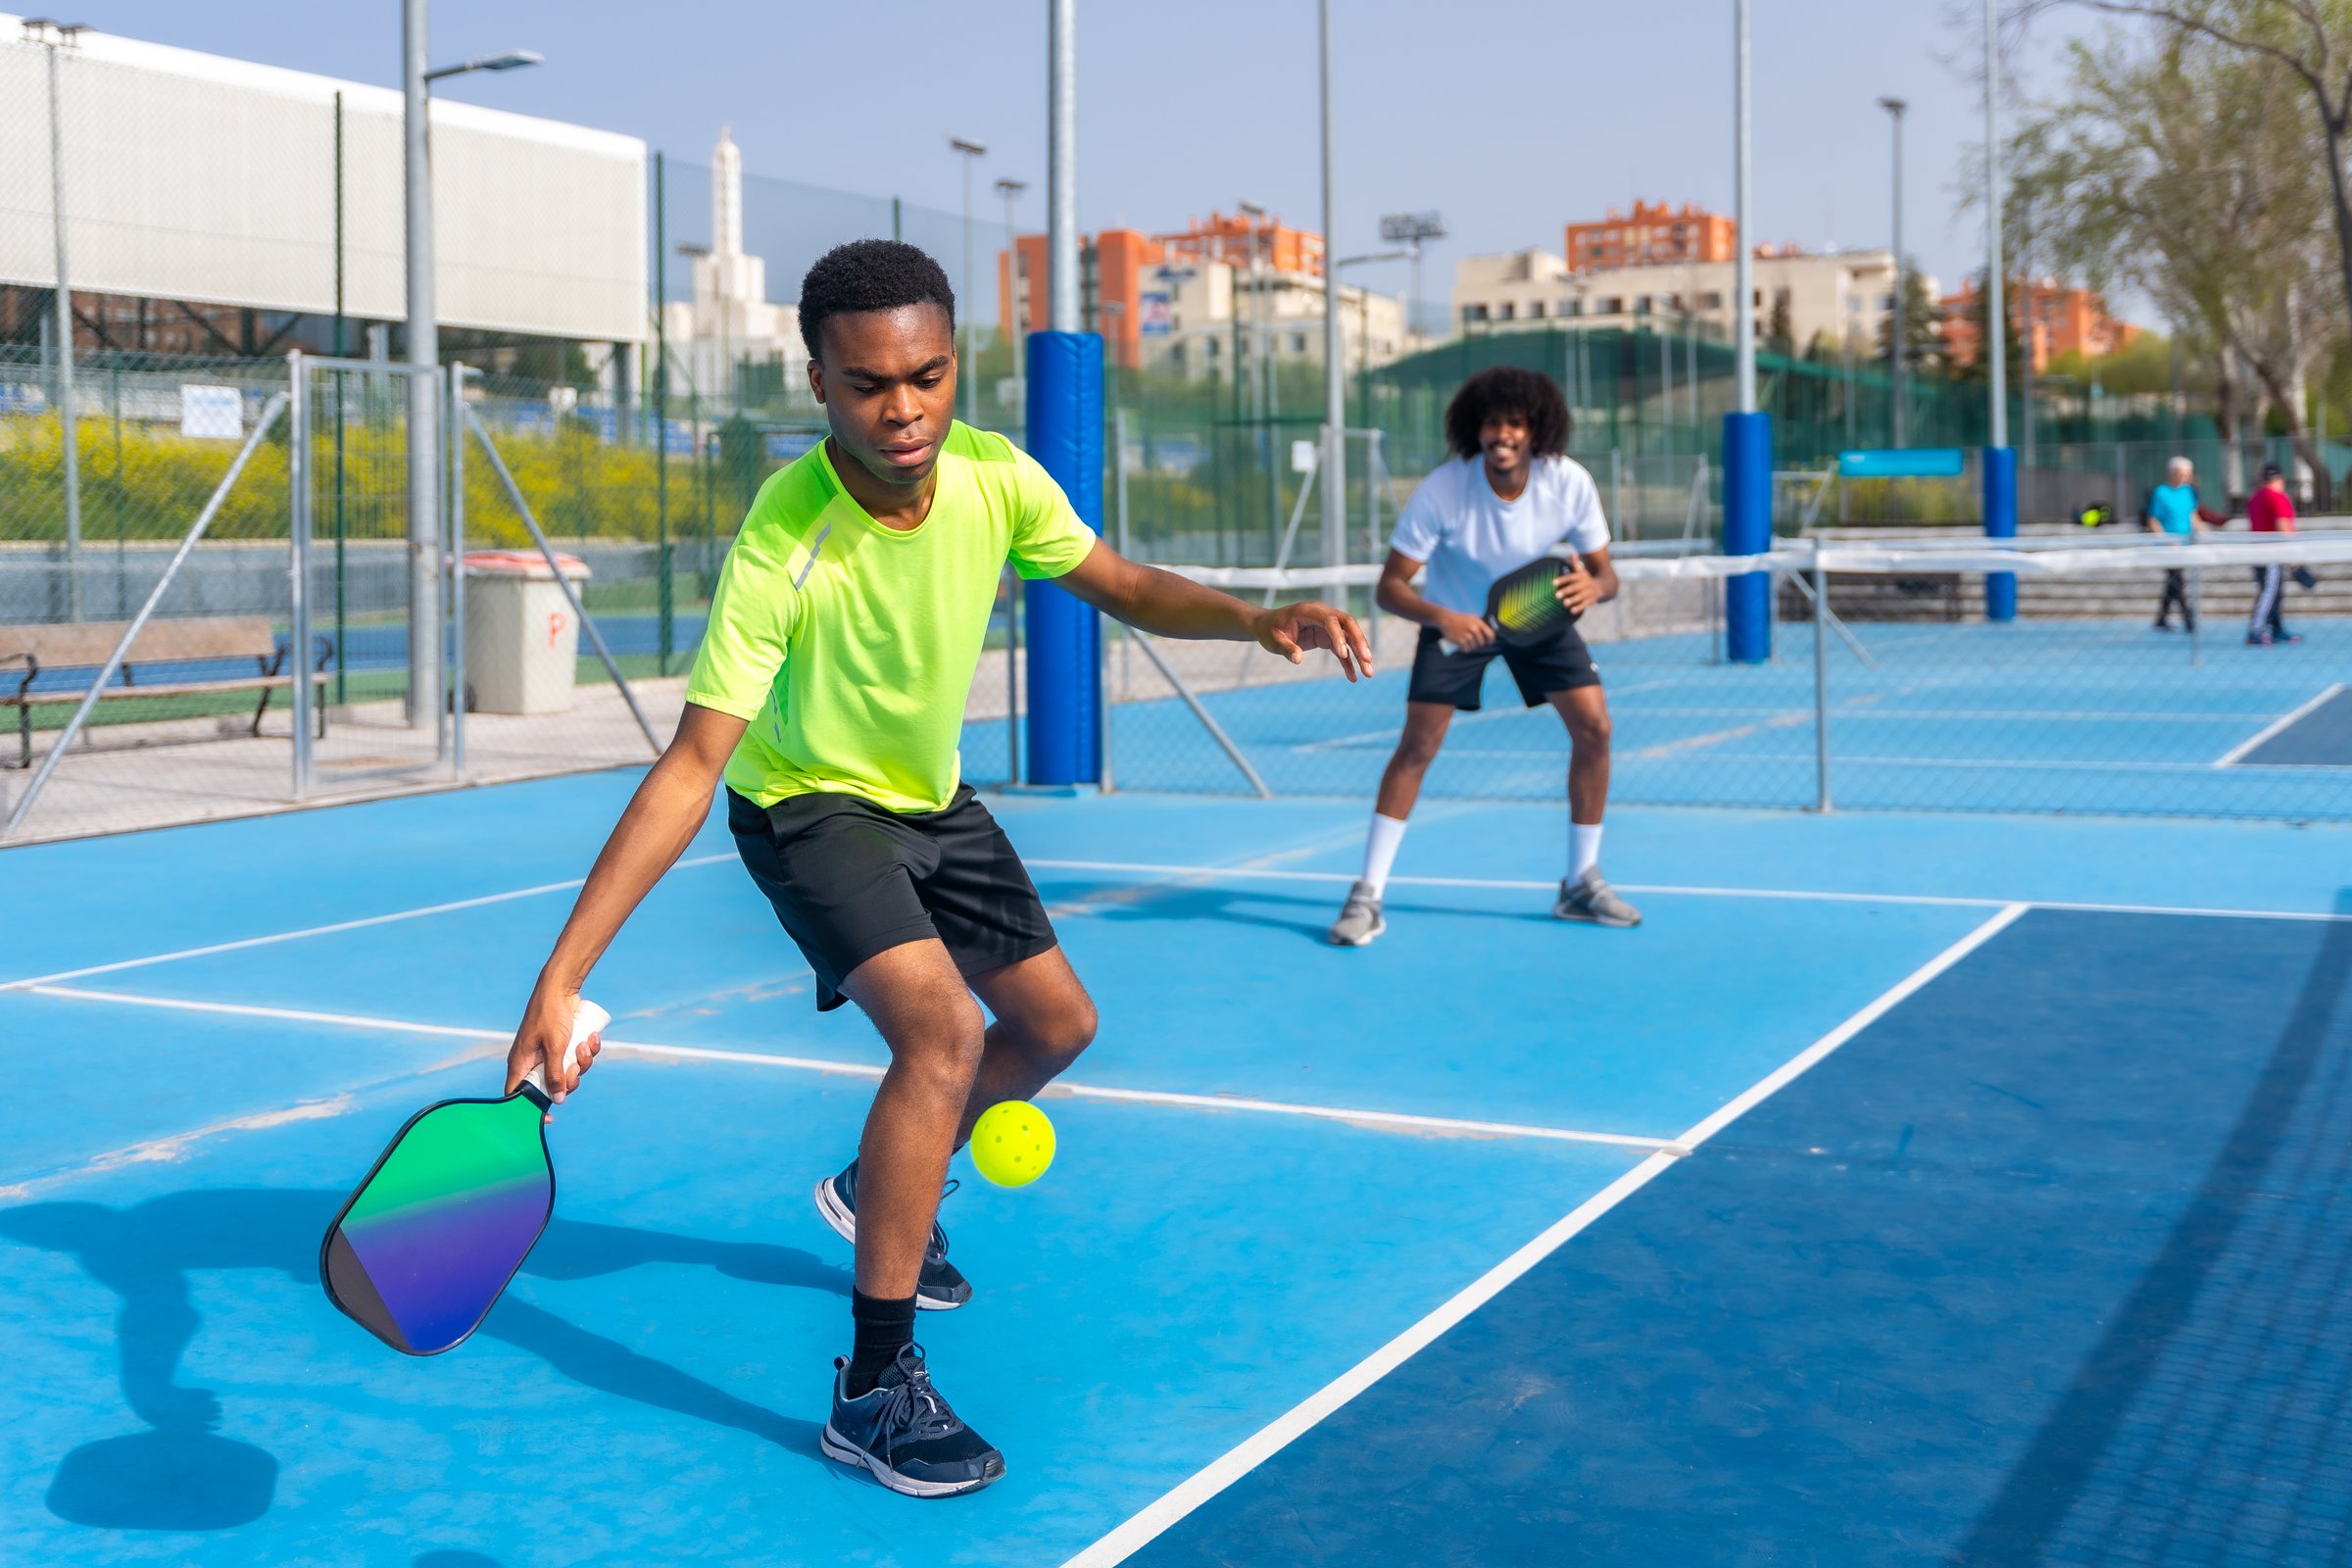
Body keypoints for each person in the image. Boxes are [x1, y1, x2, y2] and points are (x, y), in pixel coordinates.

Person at [501, 240, 1371, 1498]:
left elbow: (1117, 579)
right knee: (943, 1035)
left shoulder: (990, 475)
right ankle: (871, 1388)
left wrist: (1251, 614)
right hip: (806, 807)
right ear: (818, 383)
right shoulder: (786, 537)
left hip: (930, 799)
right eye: (868, 385)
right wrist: (561, 974)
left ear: (954, 365)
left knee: (1060, 1026)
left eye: (926, 375)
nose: (902, 408)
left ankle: (878, 1181)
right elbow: (693, 765)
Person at [1327, 366, 1638, 947]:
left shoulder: (1567, 481)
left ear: (1536, 430)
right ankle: (1366, 895)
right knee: (1417, 747)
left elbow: (1606, 574)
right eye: (1494, 422)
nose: (1503, 434)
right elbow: (1390, 587)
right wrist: (1445, 618)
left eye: (1516, 423)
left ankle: (1580, 882)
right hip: (1456, 620)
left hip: (1537, 618)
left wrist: (1596, 588)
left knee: (1595, 729)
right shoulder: (1444, 487)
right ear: (1476, 428)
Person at [2143, 456, 2209, 630]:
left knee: (2173, 583)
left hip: (2185, 544)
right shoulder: (2161, 492)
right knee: (2177, 580)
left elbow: (2192, 515)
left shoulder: (2188, 492)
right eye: (2182, 473)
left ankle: (2161, 618)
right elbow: (2152, 519)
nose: (2185, 477)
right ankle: (2188, 619)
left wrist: (2203, 531)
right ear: (2172, 473)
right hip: (2169, 546)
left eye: (2187, 474)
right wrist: (2165, 540)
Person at [2246, 462, 2303, 645]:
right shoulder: (2278, 497)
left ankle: (2277, 628)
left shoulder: (2255, 498)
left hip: (2257, 551)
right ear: (2280, 478)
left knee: (2275, 592)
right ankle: (2256, 630)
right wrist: (2292, 555)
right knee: (2270, 592)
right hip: (2272, 552)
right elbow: (2282, 526)